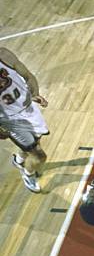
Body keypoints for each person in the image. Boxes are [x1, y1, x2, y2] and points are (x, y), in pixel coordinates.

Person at [0, 47, 49, 193]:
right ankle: (28, 175)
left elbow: (28, 76)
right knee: (39, 156)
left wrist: (35, 93)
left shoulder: (4, 55)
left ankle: (19, 160)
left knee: (36, 140)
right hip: (11, 120)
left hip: (28, 107)